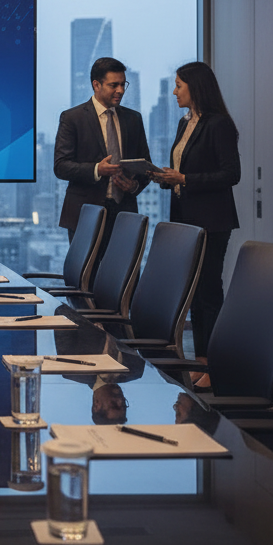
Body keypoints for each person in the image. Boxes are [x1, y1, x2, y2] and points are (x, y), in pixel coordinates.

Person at [150, 61, 240, 390]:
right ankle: (201, 362)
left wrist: (185, 178)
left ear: (196, 88)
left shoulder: (219, 124)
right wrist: (166, 178)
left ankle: (215, 365)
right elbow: (183, 170)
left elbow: (231, 174)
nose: (174, 92)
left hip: (212, 221)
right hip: (186, 220)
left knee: (208, 293)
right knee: (195, 295)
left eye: (179, 85)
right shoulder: (185, 123)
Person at [54, 57, 151, 251]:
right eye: (114, 85)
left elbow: (146, 166)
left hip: (125, 213)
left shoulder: (133, 119)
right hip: (85, 214)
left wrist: (134, 186)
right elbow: (61, 166)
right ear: (96, 85)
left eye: (123, 84)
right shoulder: (72, 118)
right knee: (86, 270)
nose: (120, 90)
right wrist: (97, 169)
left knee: (124, 270)